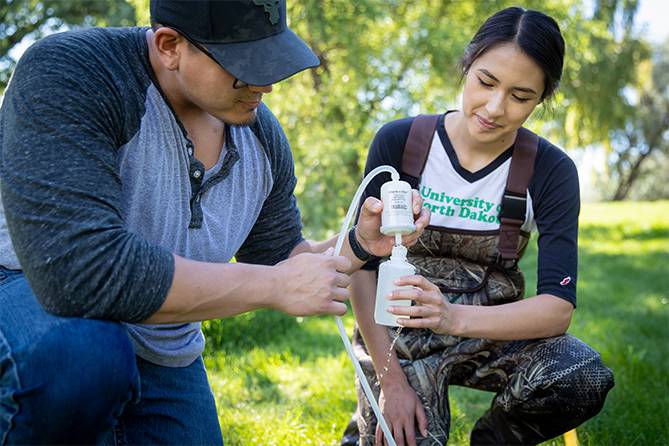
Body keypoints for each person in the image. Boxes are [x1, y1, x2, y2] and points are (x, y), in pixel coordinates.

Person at [0, 1, 430, 444]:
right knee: (82, 359)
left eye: (271, 60)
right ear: (170, 46)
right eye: (244, 66)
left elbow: (282, 262)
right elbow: (79, 271)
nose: (265, 84)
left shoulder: (262, 137)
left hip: (163, 340)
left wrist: (358, 243)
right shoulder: (74, 72)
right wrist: (276, 288)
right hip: (30, 299)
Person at [341, 7, 614, 446]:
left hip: (489, 332)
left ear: (541, 99)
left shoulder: (551, 170)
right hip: (399, 341)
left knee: (579, 373)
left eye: (520, 96)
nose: (494, 108)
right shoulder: (400, 142)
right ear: (467, 64)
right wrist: (389, 382)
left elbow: (557, 308)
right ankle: (371, 422)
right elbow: (361, 268)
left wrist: (453, 317)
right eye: (486, 82)